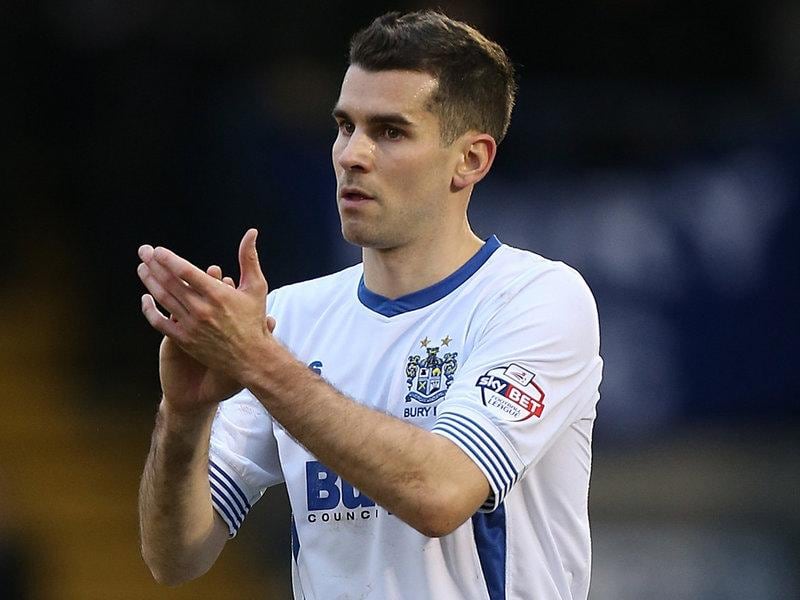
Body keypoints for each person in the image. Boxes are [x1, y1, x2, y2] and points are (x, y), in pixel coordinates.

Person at [137, 10, 602, 600]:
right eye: (344, 126)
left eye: (389, 132)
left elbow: (438, 494)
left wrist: (255, 359)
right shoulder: (293, 317)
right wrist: (183, 416)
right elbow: (175, 557)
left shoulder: (536, 299)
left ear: (471, 160)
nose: (351, 155)